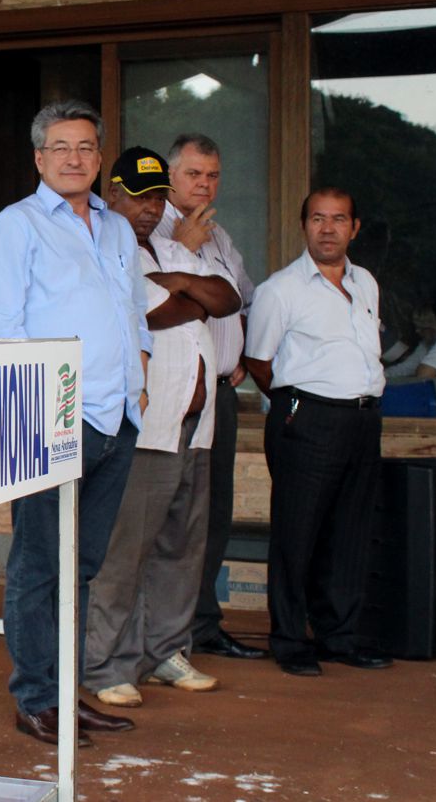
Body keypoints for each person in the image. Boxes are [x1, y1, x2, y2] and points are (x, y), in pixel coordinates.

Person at [0, 100, 149, 747]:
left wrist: (143, 379)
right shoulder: (16, 227)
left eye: (86, 147)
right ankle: (35, 699)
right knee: (39, 567)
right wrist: (29, 423)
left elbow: (133, 313)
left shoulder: (117, 229)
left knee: (83, 567)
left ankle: (66, 693)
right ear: (39, 158)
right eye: (61, 147)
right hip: (52, 419)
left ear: (100, 157)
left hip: (118, 418)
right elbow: (4, 328)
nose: (75, 158)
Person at [85, 147, 240, 709]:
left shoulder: (174, 247)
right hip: (145, 425)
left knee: (181, 547)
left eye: (155, 197)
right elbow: (149, 315)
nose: (148, 209)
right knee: (124, 554)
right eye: (136, 196)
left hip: (195, 424)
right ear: (113, 196)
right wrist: (188, 295)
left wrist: (177, 279)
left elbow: (227, 297)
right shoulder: (105, 247)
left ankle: (165, 652)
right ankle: (106, 664)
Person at [245, 188, 392, 677]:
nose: (327, 229)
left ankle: (340, 636)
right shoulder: (280, 290)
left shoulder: (366, 282)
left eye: (338, 219)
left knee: (350, 532)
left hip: (362, 419)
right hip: (307, 418)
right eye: (317, 219)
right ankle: (290, 639)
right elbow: (258, 361)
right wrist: (297, 402)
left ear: (355, 227)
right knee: (297, 533)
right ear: (303, 225)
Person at [155, 134, 268, 662]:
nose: (205, 184)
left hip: (222, 393)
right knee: (169, 519)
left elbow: (242, 296)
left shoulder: (219, 234)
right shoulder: (155, 229)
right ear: (170, 175)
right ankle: (164, 634)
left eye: (213, 175)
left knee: (213, 514)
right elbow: (161, 305)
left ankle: (201, 624)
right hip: (172, 394)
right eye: (194, 174)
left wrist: (242, 353)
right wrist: (184, 248)